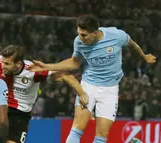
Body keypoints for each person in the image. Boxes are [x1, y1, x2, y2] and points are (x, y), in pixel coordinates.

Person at [27, 14, 156, 143]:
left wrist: (144, 56)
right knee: (77, 128)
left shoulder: (116, 36)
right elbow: (74, 63)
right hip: (89, 85)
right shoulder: (79, 42)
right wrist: (47, 66)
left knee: (102, 135)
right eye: (79, 33)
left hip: (110, 90)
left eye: (84, 35)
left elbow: (132, 43)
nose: (80, 38)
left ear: (95, 33)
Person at [0, 45, 88, 143]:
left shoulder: (34, 71)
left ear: (18, 64)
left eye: (7, 64)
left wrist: (81, 92)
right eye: (3, 62)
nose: (3, 66)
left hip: (20, 116)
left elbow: (64, 75)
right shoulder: (0, 62)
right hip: (2, 109)